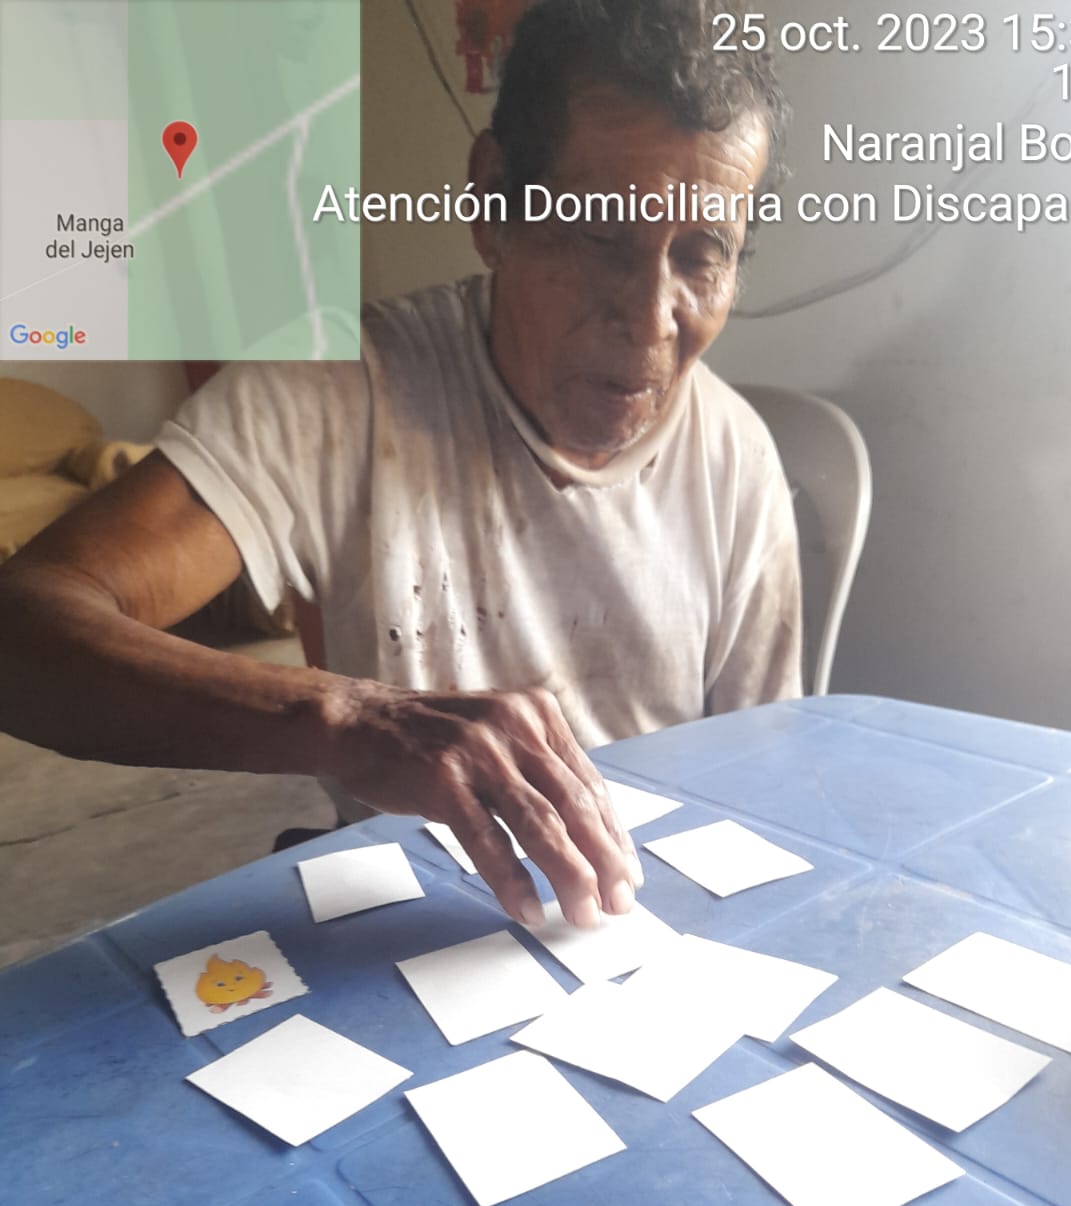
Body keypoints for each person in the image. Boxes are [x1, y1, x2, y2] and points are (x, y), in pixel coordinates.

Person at [0, 0, 801, 933]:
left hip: (644, 933)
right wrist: (347, 721)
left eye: (702, 255)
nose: (652, 320)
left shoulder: (737, 458)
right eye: (597, 236)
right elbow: (23, 633)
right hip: (412, 928)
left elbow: (763, 791)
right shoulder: (336, 397)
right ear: (492, 201)